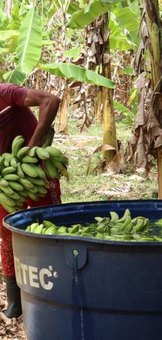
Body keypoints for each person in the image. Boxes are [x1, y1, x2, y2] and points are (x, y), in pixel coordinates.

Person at [0, 83, 62, 318]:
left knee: (49, 230)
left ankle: (56, 292)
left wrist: (31, 147)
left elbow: (51, 101)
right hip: (8, 179)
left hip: (37, 171)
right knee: (8, 236)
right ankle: (15, 302)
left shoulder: (5, 93)